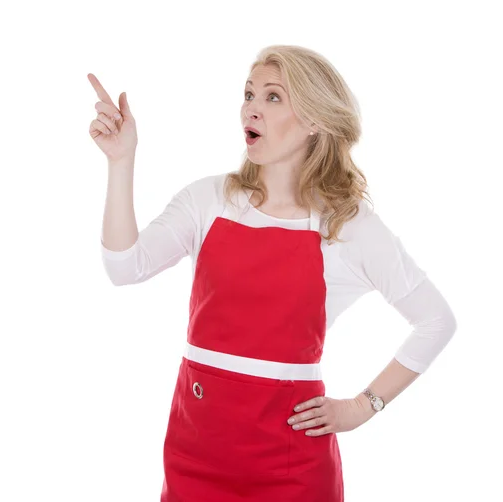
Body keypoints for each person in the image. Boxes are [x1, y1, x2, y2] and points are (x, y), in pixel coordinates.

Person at [89, 45, 457, 502]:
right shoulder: (210, 199)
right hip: (195, 451)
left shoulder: (347, 224)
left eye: (273, 97)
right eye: (248, 94)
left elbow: (437, 320)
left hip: (291, 466)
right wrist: (121, 162)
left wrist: (363, 407)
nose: (252, 108)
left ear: (315, 120)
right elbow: (126, 267)